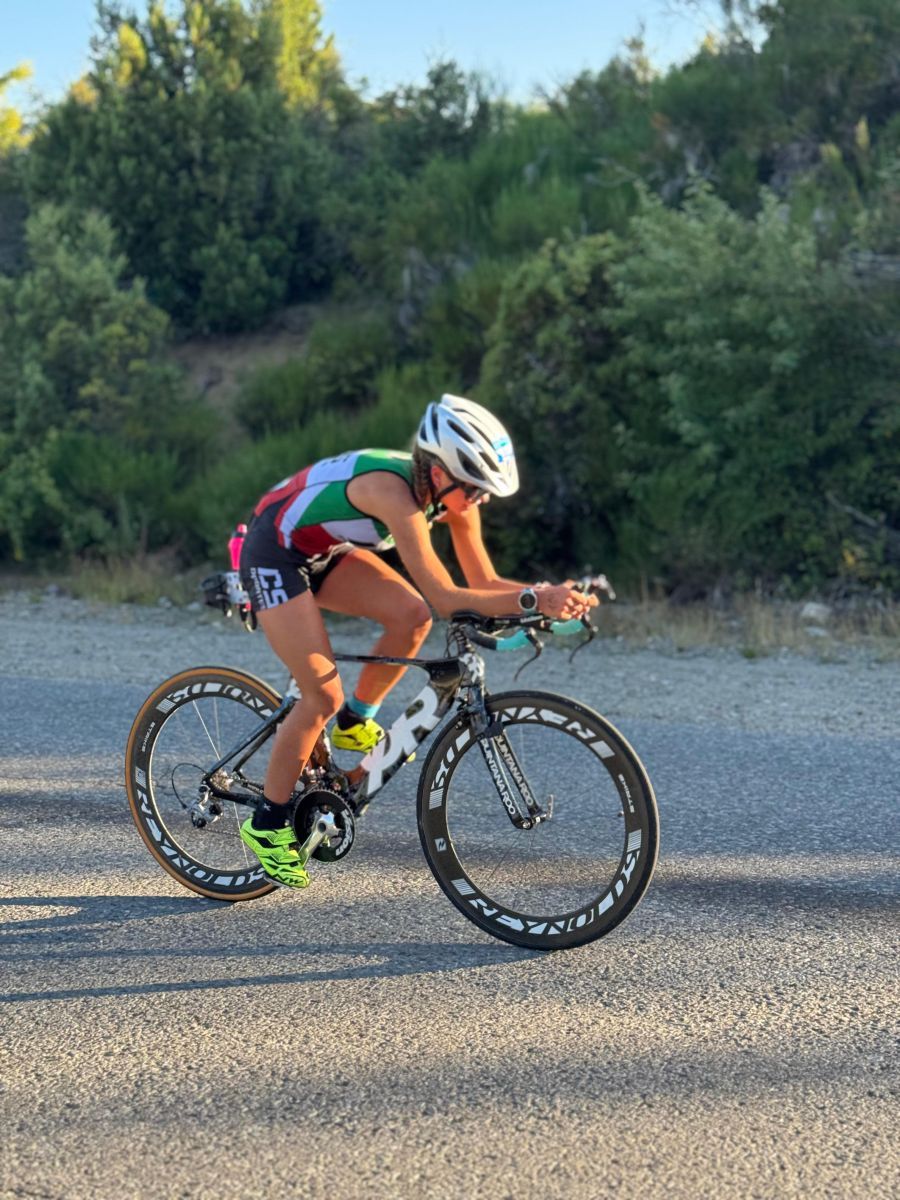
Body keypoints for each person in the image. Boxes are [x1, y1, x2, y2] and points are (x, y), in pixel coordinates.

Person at [237, 394, 596, 888]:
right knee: (321, 693)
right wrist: (537, 600)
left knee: (410, 615)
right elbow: (448, 597)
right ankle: (267, 823)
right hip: (272, 552)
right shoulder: (392, 492)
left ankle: (353, 723)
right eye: (476, 487)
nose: (481, 499)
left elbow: (483, 581)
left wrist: (550, 600)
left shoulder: (452, 499)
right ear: (443, 472)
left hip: (323, 549)